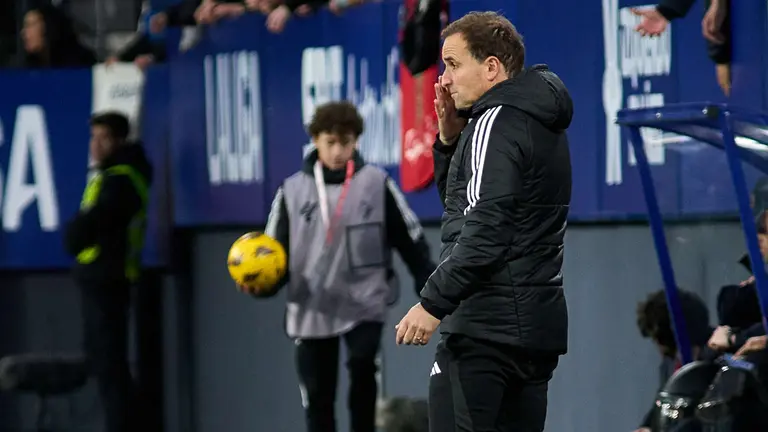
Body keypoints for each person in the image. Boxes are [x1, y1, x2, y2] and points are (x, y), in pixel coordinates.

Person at [394, 11, 573, 432]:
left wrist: (432, 304)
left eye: (454, 64)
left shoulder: (494, 120)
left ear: (491, 67)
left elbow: (484, 231)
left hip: (482, 333)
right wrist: (450, 142)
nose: (445, 79)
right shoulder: (541, 120)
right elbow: (468, 210)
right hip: (533, 333)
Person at [246, 101, 435, 432]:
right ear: (315, 140)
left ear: (356, 141)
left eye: (345, 143)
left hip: (364, 303)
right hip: (311, 307)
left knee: (363, 376)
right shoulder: (292, 191)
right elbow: (271, 254)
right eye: (330, 142)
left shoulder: (376, 183)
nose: (338, 151)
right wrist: (262, 286)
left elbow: (411, 240)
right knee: (318, 397)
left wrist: (430, 287)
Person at [64, 112, 153, 432]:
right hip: (100, 281)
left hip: (109, 281)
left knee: (111, 369)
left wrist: (73, 235)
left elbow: (93, 225)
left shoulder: (122, 179)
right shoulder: (111, 176)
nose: (96, 145)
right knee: (105, 367)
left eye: (103, 138)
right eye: (93, 137)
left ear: (118, 141)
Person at [634, 289, 716, 432]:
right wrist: (646, 427)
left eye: (656, 340)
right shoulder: (669, 364)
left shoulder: (716, 361)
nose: (658, 350)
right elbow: (661, 403)